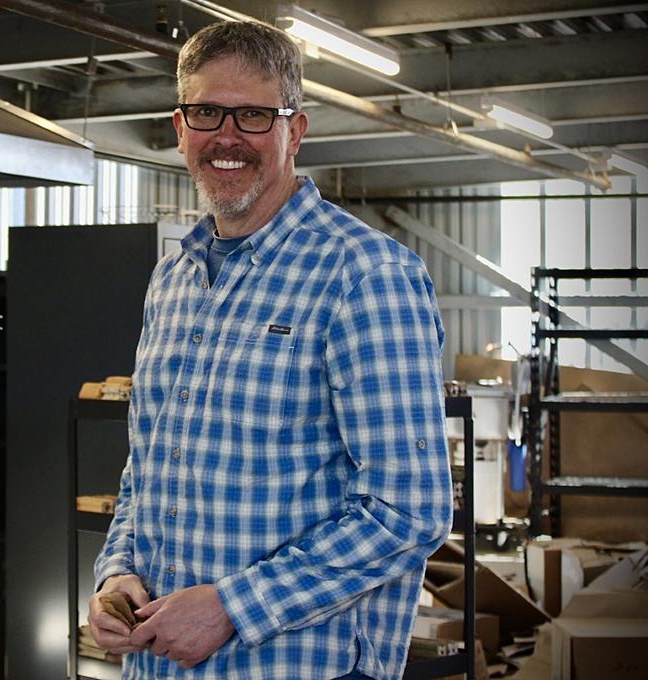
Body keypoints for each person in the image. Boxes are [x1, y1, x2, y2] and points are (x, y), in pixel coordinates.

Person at [88, 19, 452, 680]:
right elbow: (149, 469)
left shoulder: (365, 277)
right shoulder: (174, 278)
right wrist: (117, 572)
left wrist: (233, 607)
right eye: (207, 113)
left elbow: (409, 511)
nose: (227, 137)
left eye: (254, 115)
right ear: (179, 128)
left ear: (296, 131)